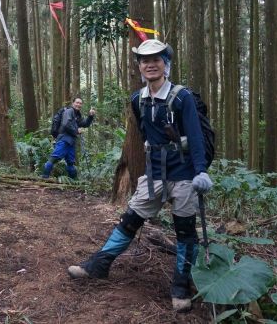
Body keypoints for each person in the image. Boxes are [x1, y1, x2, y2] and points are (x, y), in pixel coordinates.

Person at [66, 39, 213, 312]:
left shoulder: (183, 98)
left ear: (166, 65)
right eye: (145, 61)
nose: (150, 65)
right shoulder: (138, 100)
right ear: (140, 68)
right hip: (154, 173)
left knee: (185, 230)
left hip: (183, 174)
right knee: (130, 219)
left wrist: (201, 171)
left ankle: (181, 284)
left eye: (156, 60)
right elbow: (147, 135)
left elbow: (195, 137)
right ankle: (99, 265)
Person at [42, 98, 96, 179]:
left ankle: (73, 184)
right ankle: (44, 178)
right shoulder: (69, 111)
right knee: (53, 159)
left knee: (70, 163)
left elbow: (84, 124)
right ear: (73, 103)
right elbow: (66, 124)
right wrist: (77, 131)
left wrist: (90, 116)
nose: (79, 104)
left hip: (71, 142)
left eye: (80, 103)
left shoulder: (77, 115)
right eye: (77, 102)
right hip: (64, 139)